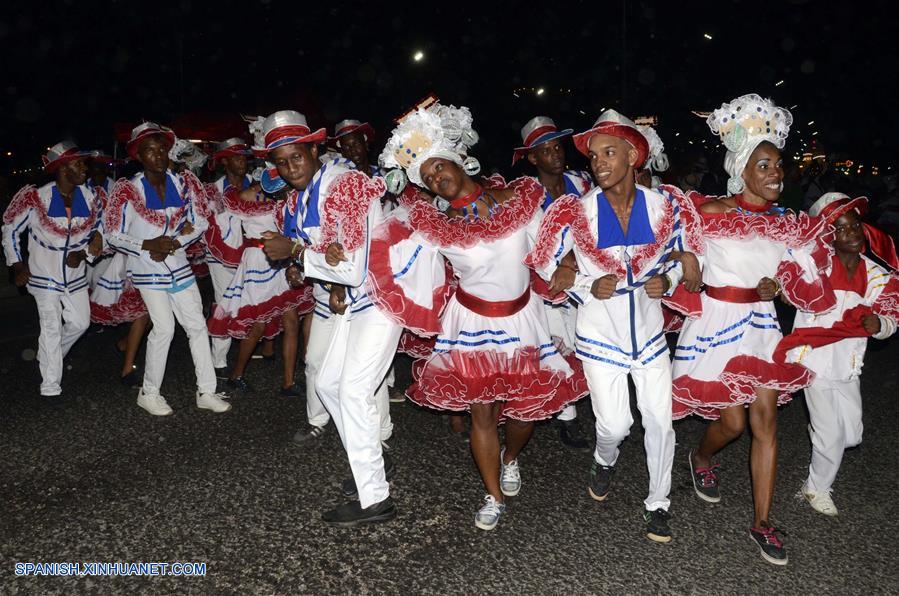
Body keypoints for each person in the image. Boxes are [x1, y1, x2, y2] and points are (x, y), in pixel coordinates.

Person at [377, 101, 587, 531]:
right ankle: (492, 494)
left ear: (456, 159)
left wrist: (566, 264)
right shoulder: (437, 225)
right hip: (470, 325)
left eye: (439, 167)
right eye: (428, 178)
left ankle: (511, 459)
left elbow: (552, 241)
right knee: (483, 413)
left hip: (525, 319)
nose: (437, 178)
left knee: (528, 412)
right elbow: (393, 252)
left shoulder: (518, 199)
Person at [668, 94, 836, 565]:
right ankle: (702, 458)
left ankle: (762, 523)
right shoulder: (713, 213)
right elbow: (685, 254)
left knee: (764, 423)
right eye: (763, 165)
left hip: (760, 329)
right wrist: (689, 268)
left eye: (778, 165)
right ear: (741, 168)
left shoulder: (788, 225)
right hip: (717, 327)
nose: (775, 174)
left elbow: (809, 283)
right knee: (733, 423)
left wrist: (779, 287)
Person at [527, 109, 701, 543]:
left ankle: (658, 503)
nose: (599, 163)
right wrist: (586, 283)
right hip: (599, 335)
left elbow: (692, 256)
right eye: (593, 156)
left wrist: (672, 278)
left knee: (660, 420)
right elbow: (550, 270)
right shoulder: (575, 213)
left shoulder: (666, 207)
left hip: (649, 334)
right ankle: (605, 460)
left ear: (633, 156)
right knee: (616, 426)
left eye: (609, 153)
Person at [257, 110, 412, 526]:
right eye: (281, 162)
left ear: (314, 150)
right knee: (327, 382)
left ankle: (375, 497)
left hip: (382, 297)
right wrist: (303, 260)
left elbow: (352, 268)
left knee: (355, 391)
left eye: (296, 157)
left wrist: (294, 253)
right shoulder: (306, 195)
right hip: (359, 301)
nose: (290, 169)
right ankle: (372, 462)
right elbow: (328, 258)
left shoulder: (346, 187)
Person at [779, 192, 898, 516]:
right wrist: (788, 294)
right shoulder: (813, 267)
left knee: (852, 435)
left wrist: (881, 324)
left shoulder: (876, 275)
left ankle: (822, 436)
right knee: (831, 436)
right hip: (812, 360)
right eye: (842, 228)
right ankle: (815, 489)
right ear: (829, 236)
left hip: (847, 364)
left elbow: (891, 315)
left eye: (856, 225)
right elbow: (787, 283)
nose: (852, 233)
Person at [104, 122, 231, 416]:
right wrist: (147, 244)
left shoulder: (182, 184)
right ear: (138, 155)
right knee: (164, 328)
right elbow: (112, 233)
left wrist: (175, 242)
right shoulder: (128, 190)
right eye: (150, 150)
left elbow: (200, 222)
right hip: (147, 269)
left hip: (179, 265)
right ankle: (149, 393)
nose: (158, 155)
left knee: (197, 326)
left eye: (162, 149)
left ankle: (206, 391)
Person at [2, 141, 103, 400]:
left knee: (81, 323)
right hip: (44, 276)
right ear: (61, 168)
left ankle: (51, 353)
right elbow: (11, 229)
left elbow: (100, 234)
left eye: (83, 163)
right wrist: (17, 264)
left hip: (76, 277)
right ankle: (50, 383)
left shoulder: (90, 197)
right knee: (50, 327)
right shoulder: (38, 198)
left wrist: (85, 254)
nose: (84, 168)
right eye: (77, 163)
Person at [513, 115, 592, 449]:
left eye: (558, 147)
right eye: (546, 151)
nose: (555, 155)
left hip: (583, 275)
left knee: (579, 345)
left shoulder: (583, 182)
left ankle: (566, 410)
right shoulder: (525, 194)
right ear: (533, 158)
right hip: (540, 283)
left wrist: (575, 260)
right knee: (552, 349)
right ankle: (564, 417)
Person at [201, 137, 254, 375]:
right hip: (220, 256)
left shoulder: (256, 185)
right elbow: (210, 225)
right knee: (224, 303)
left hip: (252, 255)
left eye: (243, 156)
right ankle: (218, 361)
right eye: (235, 157)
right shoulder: (213, 191)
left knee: (247, 305)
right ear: (224, 162)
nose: (241, 161)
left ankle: (246, 354)